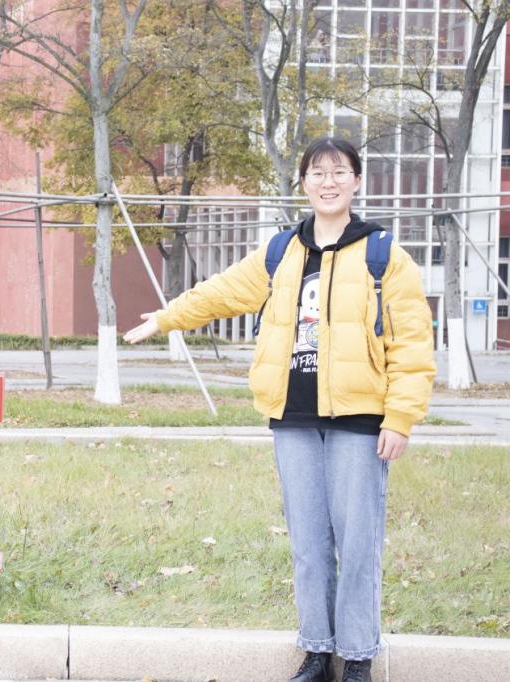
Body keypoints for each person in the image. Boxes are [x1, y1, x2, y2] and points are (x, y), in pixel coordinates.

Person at [124, 137, 435, 682]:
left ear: (356, 181)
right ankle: (316, 652)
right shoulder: (281, 251)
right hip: (293, 417)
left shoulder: (385, 256)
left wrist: (400, 417)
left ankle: (357, 658)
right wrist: (168, 317)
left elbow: (412, 344)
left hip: (361, 421)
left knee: (357, 544)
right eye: (317, 173)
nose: (328, 182)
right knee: (309, 544)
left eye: (339, 172)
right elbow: (222, 292)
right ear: (304, 183)